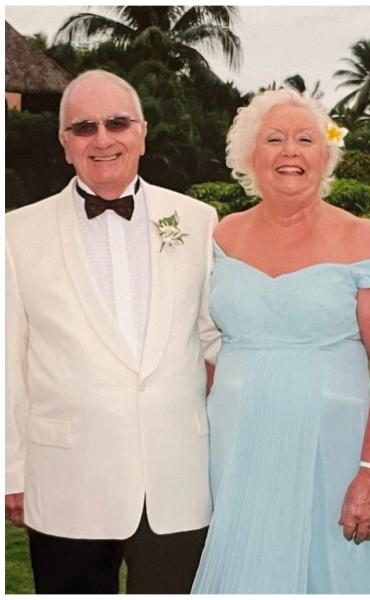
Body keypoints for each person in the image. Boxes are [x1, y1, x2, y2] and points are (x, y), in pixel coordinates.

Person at [5, 70, 220, 593]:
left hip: (177, 483)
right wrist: (10, 471)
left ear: (142, 133)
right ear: (65, 145)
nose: (102, 138)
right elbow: (6, 359)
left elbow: (216, 340)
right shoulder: (14, 232)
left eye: (117, 123)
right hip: (66, 484)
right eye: (83, 127)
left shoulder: (198, 221)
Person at [190, 89, 370, 593]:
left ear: (325, 156)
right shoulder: (222, 237)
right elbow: (202, 349)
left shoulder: (363, 238)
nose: (290, 150)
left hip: (333, 457)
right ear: (249, 157)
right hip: (236, 453)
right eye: (274, 139)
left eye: (305, 139)